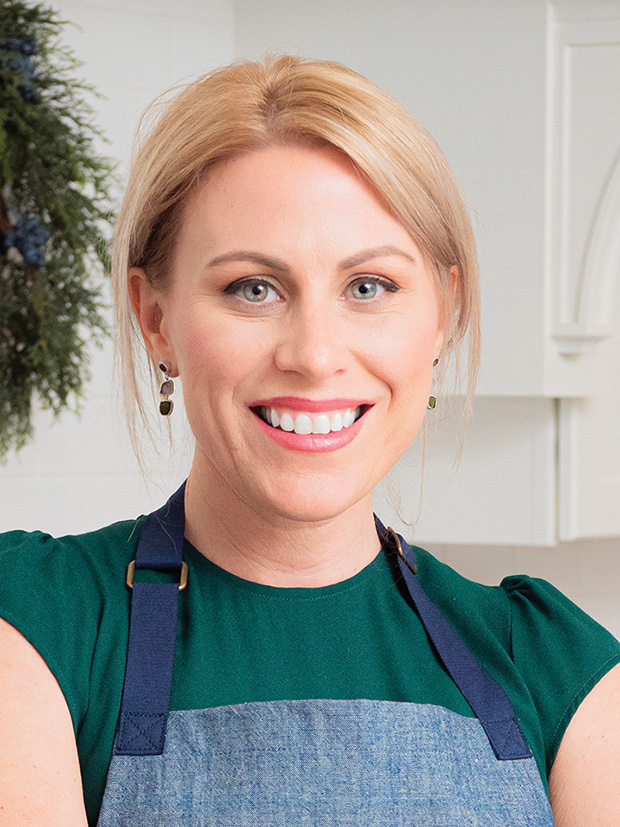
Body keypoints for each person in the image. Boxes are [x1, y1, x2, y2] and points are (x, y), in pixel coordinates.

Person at [1, 54, 619, 827]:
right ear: (155, 318)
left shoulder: (560, 670)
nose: (315, 354)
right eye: (253, 288)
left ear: (443, 316)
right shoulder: (38, 624)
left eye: (369, 287)